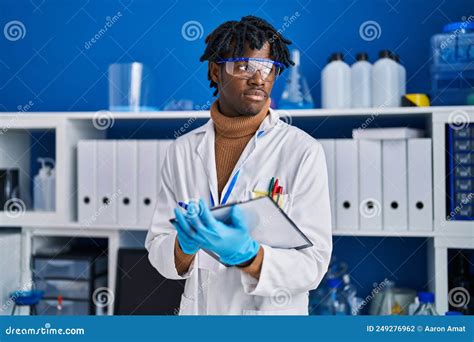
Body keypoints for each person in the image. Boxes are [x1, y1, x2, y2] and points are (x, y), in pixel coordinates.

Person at [145, 15, 332, 315]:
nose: (259, 79)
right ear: (216, 70)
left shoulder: (303, 151)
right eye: (245, 66)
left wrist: (250, 257)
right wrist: (184, 245)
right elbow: (158, 249)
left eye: (268, 68)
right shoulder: (182, 151)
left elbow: (314, 264)